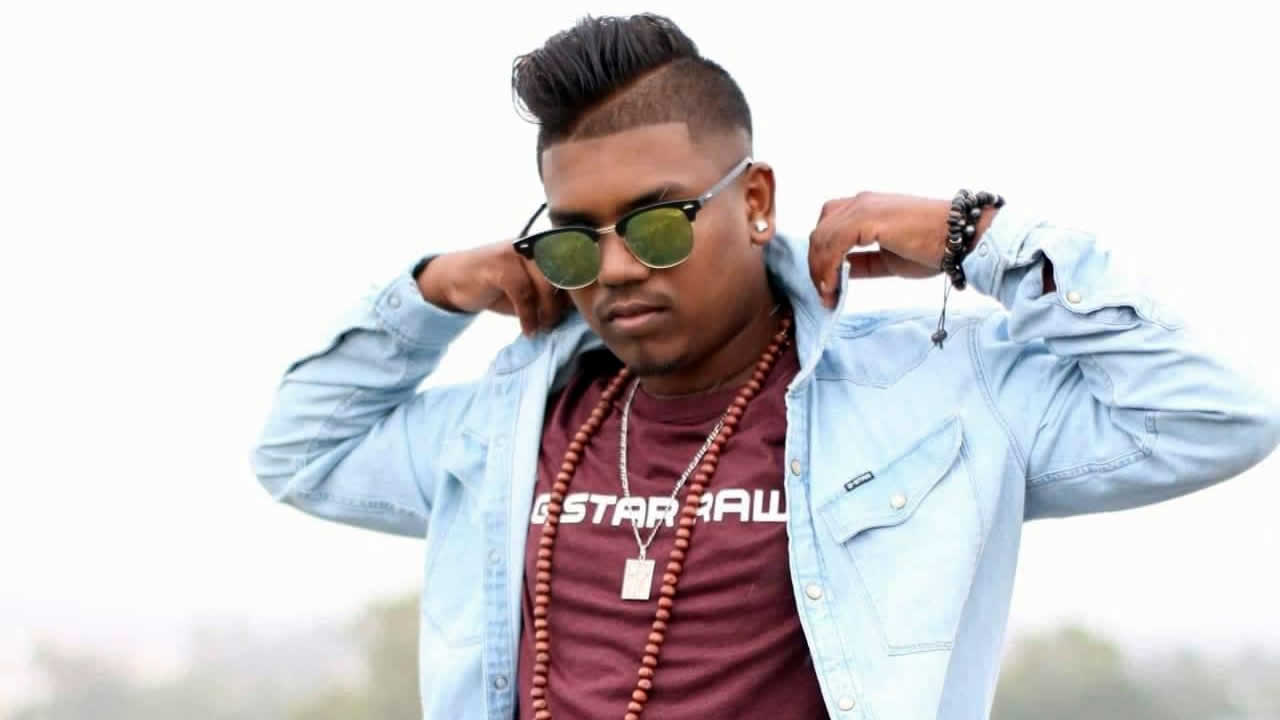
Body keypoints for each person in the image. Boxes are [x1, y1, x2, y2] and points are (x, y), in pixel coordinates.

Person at [250, 13, 1280, 720]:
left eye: (656, 223)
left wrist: (978, 237)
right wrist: (427, 292)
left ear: (754, 201)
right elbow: (300, 453)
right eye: (572, 239)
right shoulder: (511, 423)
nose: (615, 268)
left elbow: (1213, 417)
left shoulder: (934, 396)